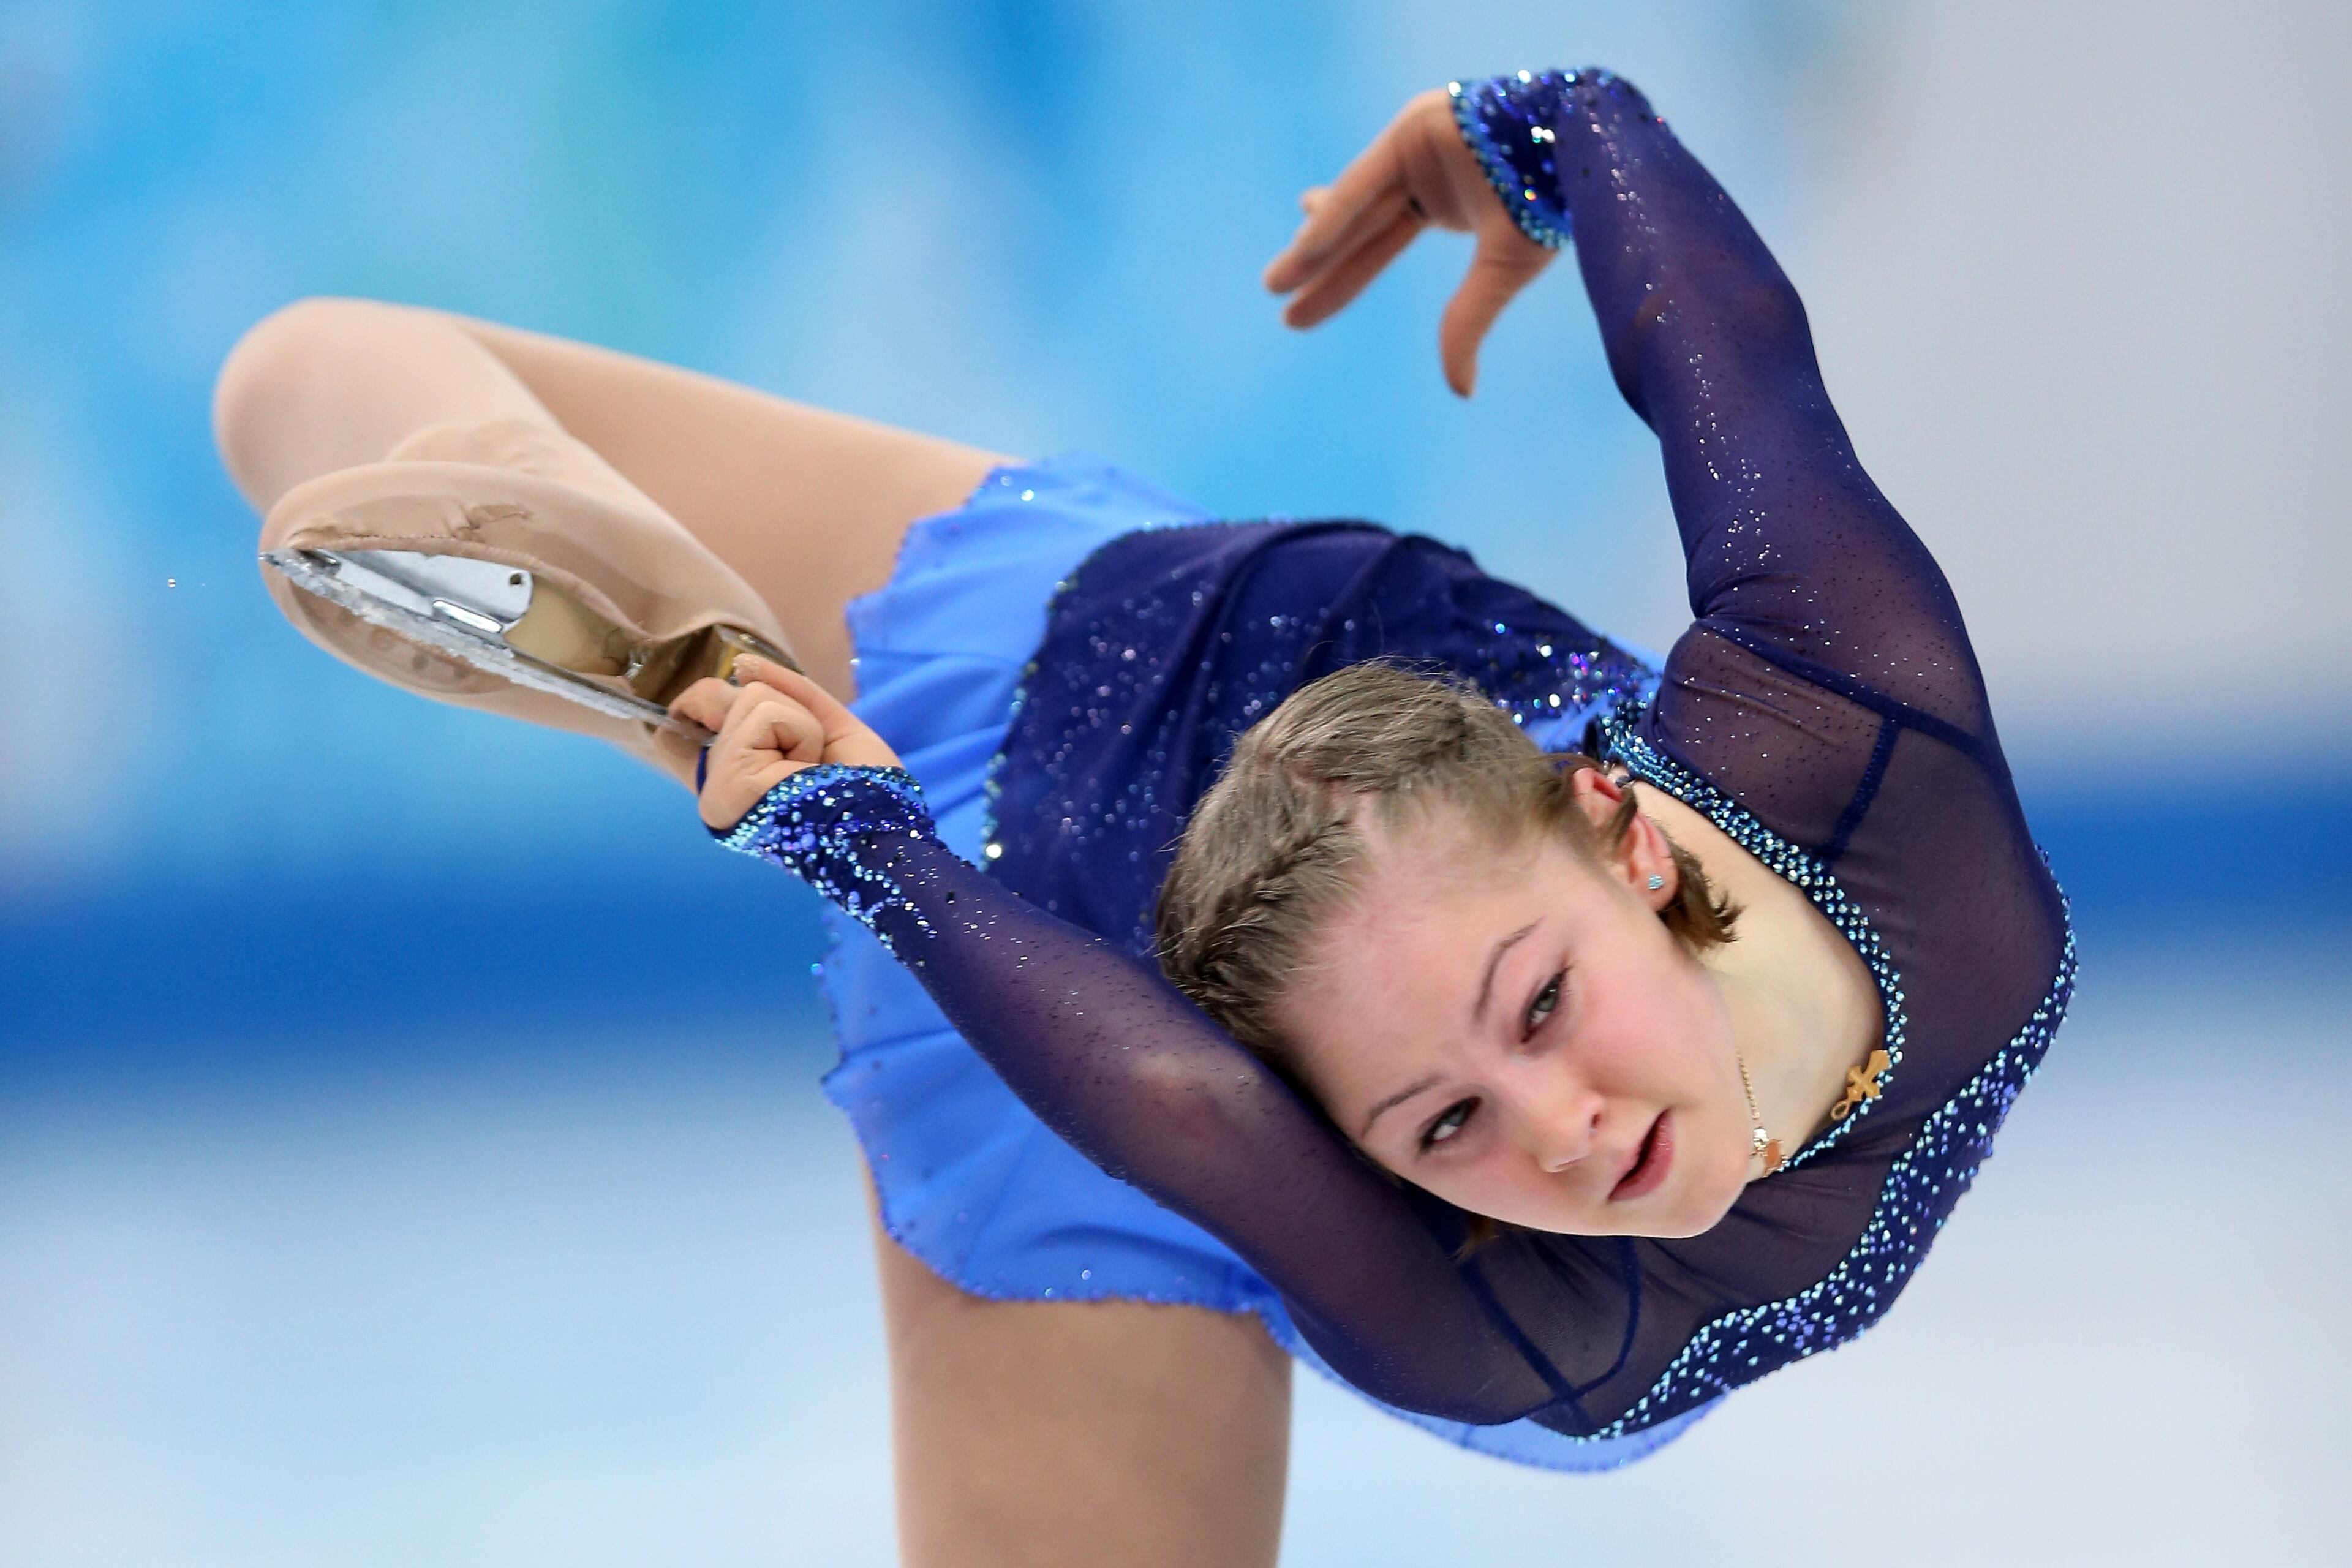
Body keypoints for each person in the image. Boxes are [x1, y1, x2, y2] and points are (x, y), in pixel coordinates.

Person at [215, 67, 2073, 1566]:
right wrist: (870, 846)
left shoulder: (1844, 753)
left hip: (1076, 799)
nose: (1567, 1135)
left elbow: (1733, 365)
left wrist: (1545, 129)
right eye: (1447, 1117)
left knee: (305, 367)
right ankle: (669, 646)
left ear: (1632, 833)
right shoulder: (1519, 1295)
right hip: (1063, 833)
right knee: (289, 373)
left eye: (1534, 1007)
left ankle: (684, 657)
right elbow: (1168, 1107)